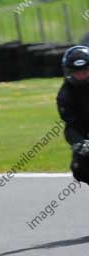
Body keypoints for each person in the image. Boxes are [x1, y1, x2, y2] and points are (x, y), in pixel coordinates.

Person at [57, 45, 89, 183]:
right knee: (79, 168)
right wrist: (79, 143)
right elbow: (71, 125)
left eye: (85, 71)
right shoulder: (65, 96)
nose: (81, 75)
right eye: (77, 72)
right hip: (85, 131)